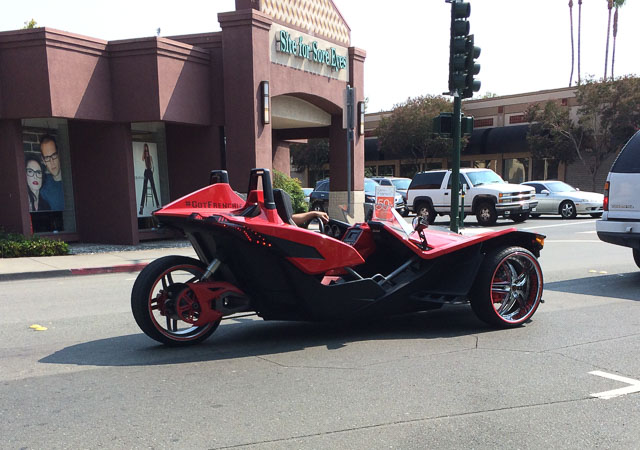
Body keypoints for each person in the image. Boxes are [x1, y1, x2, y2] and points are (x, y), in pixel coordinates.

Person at [39, 135, 64, 211]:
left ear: (59, 154)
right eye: (47, 158)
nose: (52, 162)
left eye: (54, 155)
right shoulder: (43, 189)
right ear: (43, 160)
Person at [139, 143, 160, 215]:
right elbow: (142, 159)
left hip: (150, 171)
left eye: (146, 148)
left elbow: (153, 165)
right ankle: (141, 207)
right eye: (145, 149)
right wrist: (144, 153)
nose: (146, 150)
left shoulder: (150, 157)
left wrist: (152, 171)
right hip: (146, 172)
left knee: (153, 187)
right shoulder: (144, 157)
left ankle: (157, 204)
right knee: (144, 189)